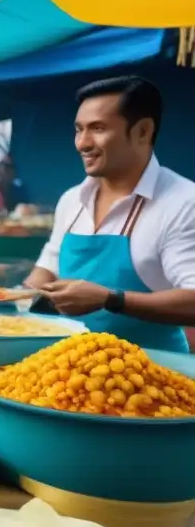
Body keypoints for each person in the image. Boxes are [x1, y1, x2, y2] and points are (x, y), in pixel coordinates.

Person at [25, 76, 195, 352]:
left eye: (98, 128)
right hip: (69, 366)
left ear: (143, 131)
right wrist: (7, 300)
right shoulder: (72, 200)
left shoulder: (183, 203)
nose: (82, 143)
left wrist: (110, 299)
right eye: (79, 130)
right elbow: (48, 267)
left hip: (152, 374)